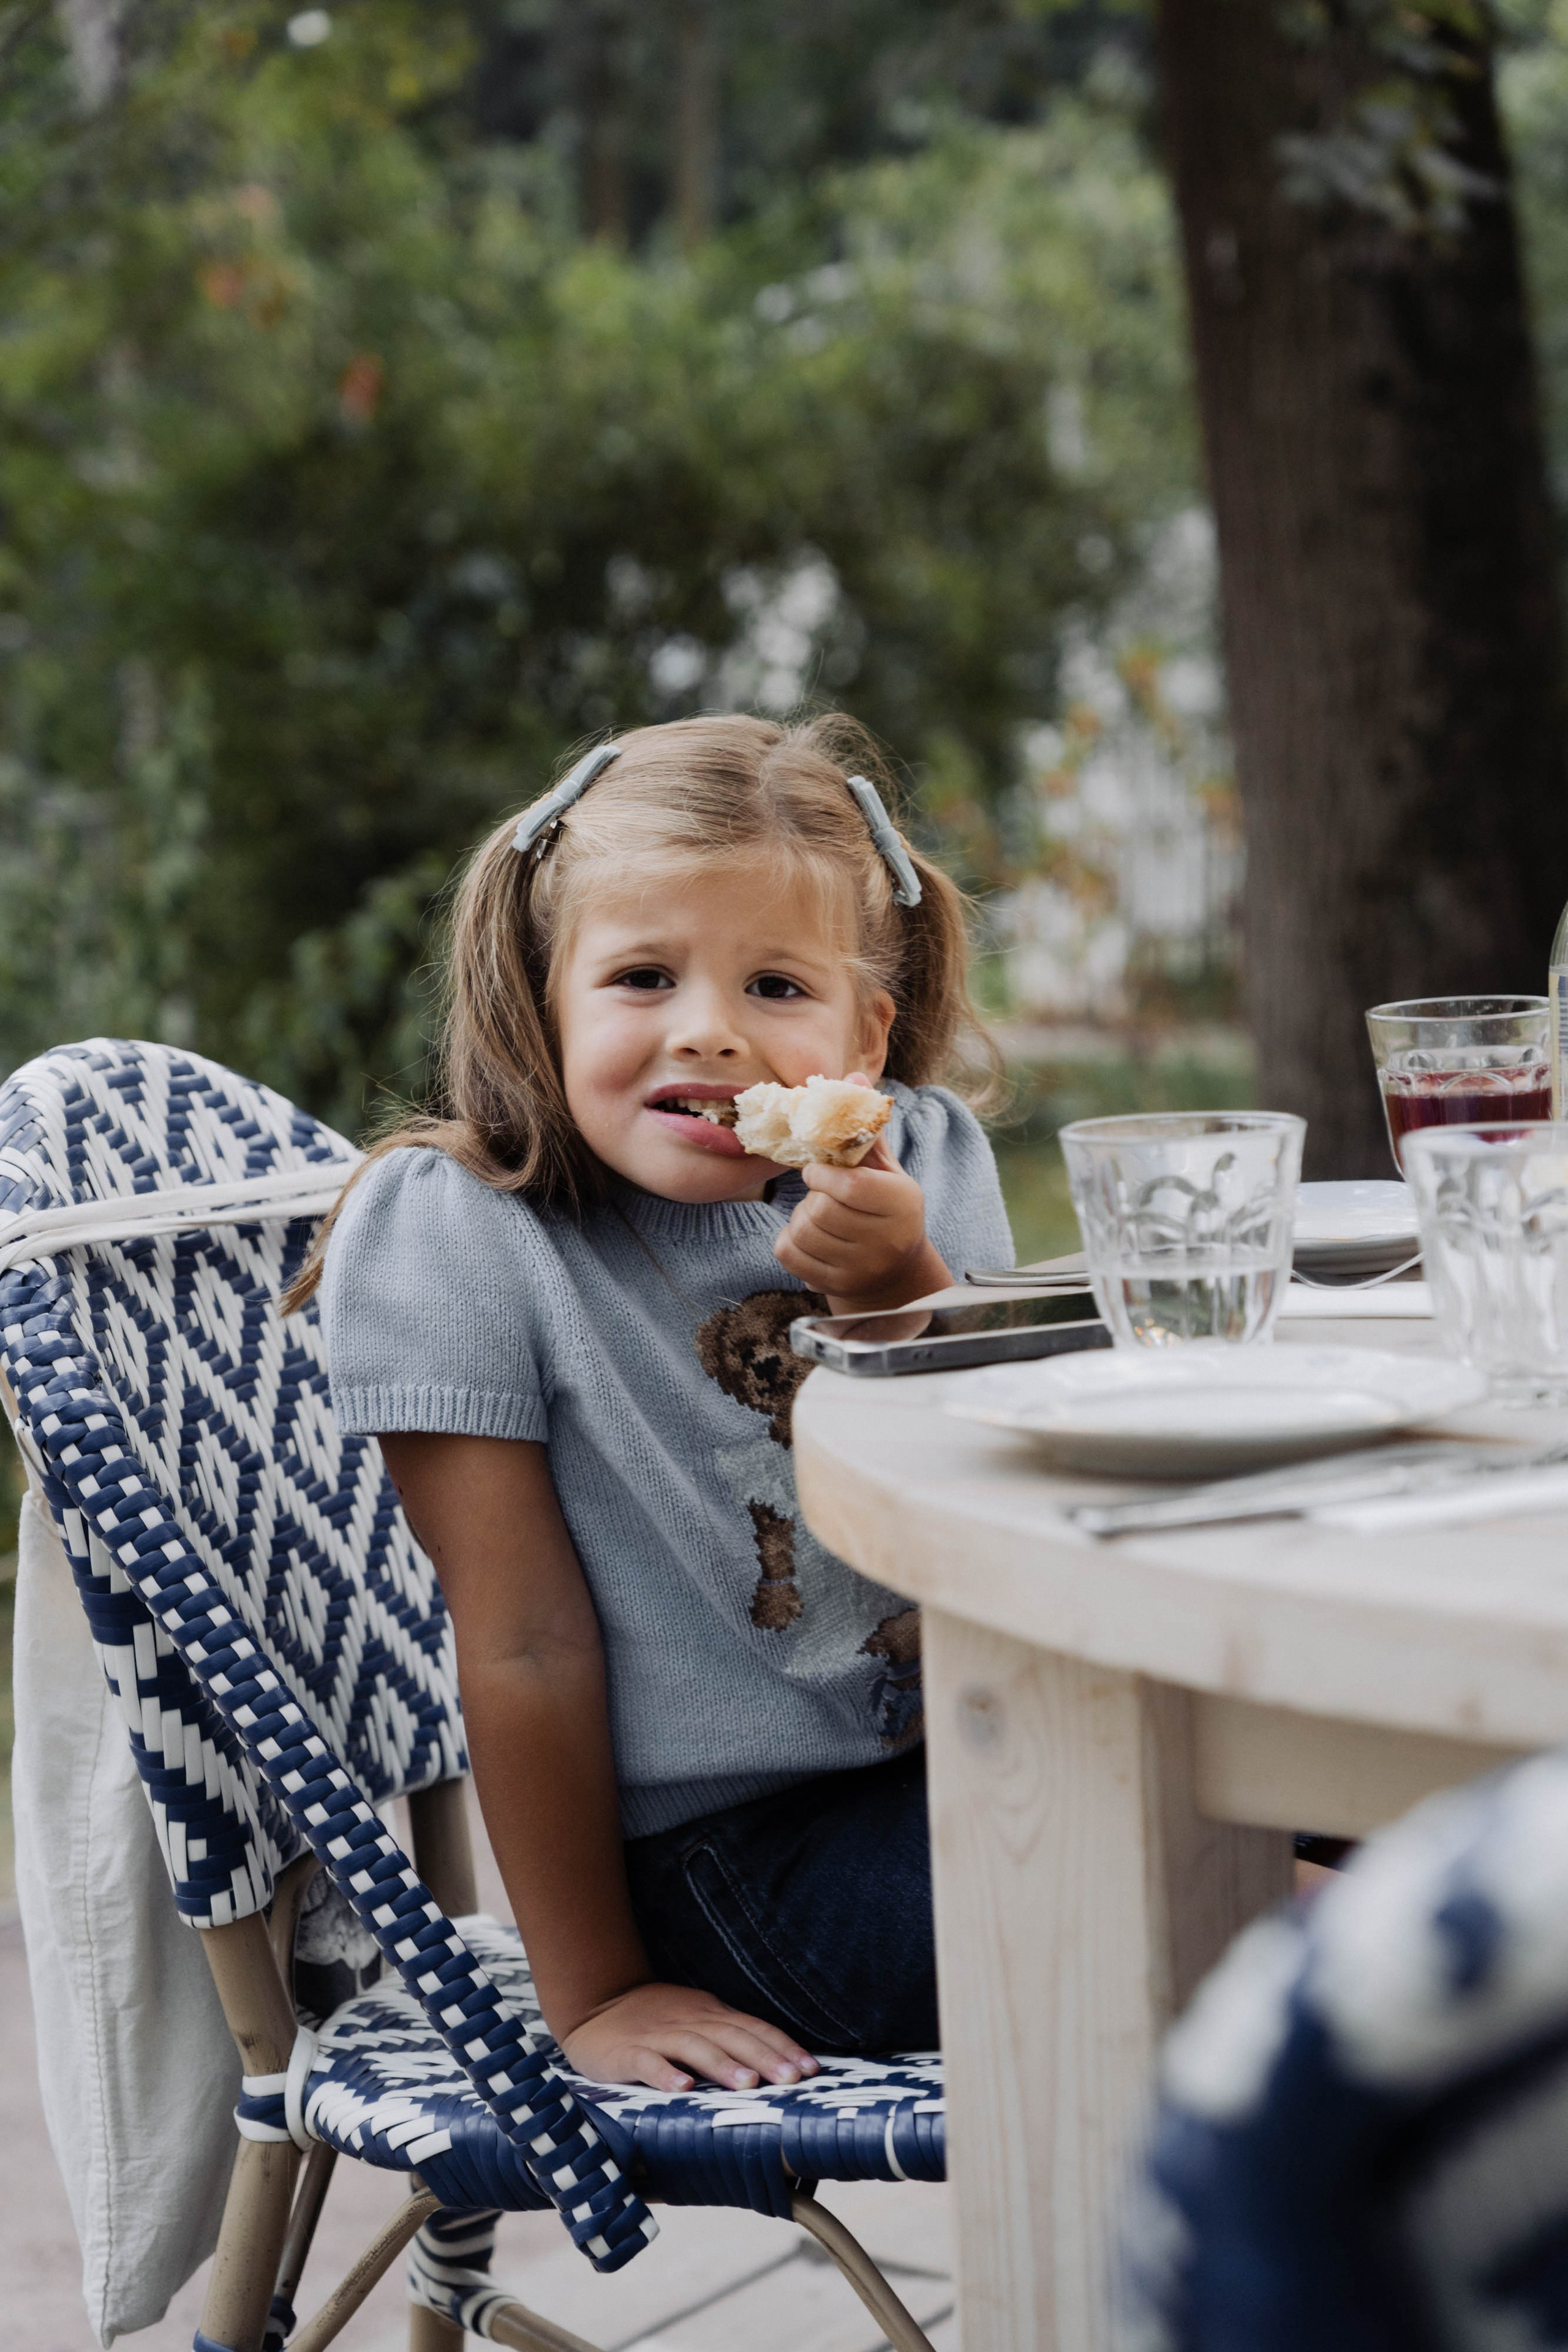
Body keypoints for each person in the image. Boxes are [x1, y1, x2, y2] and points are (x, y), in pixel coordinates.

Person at [291, 713, 1014, 2097]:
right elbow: (522, 1648)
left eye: (776, 987)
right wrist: (599, 1992)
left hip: (976, 1755)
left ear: (865, 1034)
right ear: (543, 996)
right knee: (1269, 1919)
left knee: (1407, 1830)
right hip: (720, 1869)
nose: (710, 1033)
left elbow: (1011, 1494)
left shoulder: (914, 1165)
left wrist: (906, 1291)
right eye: (639, 976)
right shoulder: (467, 1236)